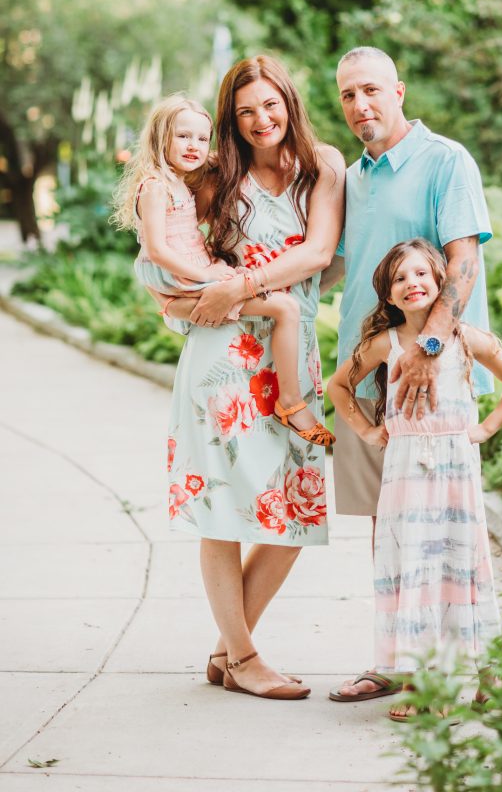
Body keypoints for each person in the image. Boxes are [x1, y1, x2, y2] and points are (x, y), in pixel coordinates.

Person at [147, 57, 345, 700]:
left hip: (293, 354)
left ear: (290, 100)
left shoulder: (323, 168)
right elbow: (164, 257)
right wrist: (183, 302)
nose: (261, 120)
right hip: (224, 358)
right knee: (225, 510)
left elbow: (318, 253)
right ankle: (245, 657)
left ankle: (228, 652)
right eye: (244, 112)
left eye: (270, 104)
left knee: (299, 509)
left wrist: (242, 283)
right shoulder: (213, 176)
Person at [324, 45, 494, 701]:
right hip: (369, 378)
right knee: (387, 531)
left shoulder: (444, 160)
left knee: (450, 531)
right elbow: (336, 263)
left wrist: (427, 347)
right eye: (346, 95)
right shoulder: (353, 177)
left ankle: (469, 670)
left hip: (435, 383)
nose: (359, 105)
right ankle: (395, 661)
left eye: (369, 90)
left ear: (398, 92)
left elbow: (461, 262)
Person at [327, 239, 502, 720]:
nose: (412, 284)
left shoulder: (465, 338)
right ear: (389, 296)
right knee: (414, 567)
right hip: (405, 472)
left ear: (440, 283)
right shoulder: (385, 343)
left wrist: (484, 428)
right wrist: (366, 429)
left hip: (457, 469)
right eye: (400, 279)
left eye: (421, 274)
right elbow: (339, 386)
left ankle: (487, 677)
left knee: (464, 563)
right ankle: (424, 681)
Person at [113, 92, 334, 446]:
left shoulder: (182, 184)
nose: (194, 145)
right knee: (283, 307)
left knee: (280, 305)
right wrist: (208, 276)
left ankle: (179, 309)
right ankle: (290, 401)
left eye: (202, 138)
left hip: (191, 269)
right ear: (159, 138)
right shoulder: (156, 187)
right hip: (184, 272)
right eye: (183, 136)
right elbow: (155, 250)